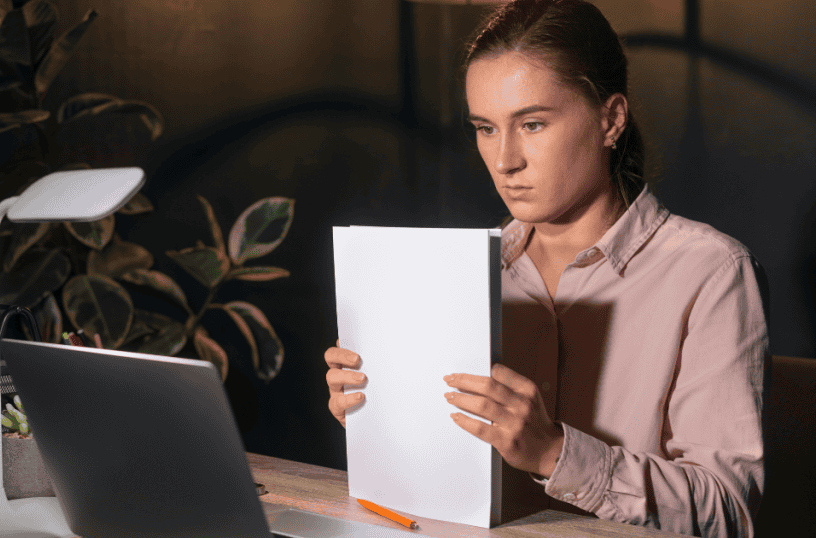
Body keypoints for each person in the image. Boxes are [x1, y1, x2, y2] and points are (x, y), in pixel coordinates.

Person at [324, 1, 768, 537]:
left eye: (532, 124)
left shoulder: (711, 272)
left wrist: (555, 452)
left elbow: (728, 514)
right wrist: (382, 417)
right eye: (486, 128)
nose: (505, 159)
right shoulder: (461, 276)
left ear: (611, 119)